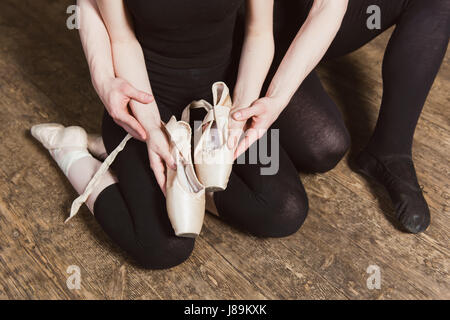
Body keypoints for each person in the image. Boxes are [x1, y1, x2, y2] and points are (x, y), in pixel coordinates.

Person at [32, 0, 349, 269]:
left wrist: (235, 116)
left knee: (284, 210)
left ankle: (190, 178)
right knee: (163, 247)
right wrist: (152, 127)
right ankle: (69, 149)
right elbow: (122, 39)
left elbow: (259, 33)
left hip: (217, 97)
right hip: (146, 103)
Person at [232, 0, 449, 234]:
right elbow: (258, 32)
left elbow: (328, 6)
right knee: (324, 146)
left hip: (310, 20)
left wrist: (278, 97)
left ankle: (390, 151)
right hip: (250, 32)